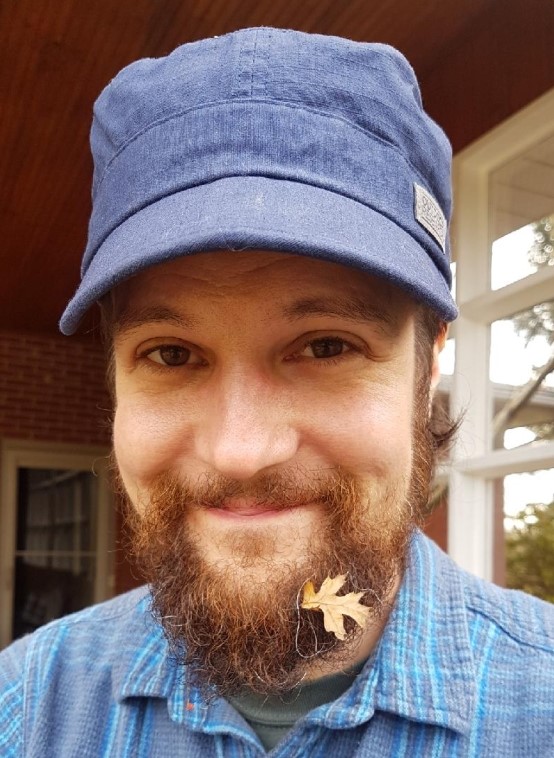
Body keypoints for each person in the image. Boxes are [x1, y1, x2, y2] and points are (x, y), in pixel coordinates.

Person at [1, 27, 553, 757]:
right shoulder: (23, 707)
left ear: (427, 370)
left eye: (326, 346)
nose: (240, 452)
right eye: (171, 354)